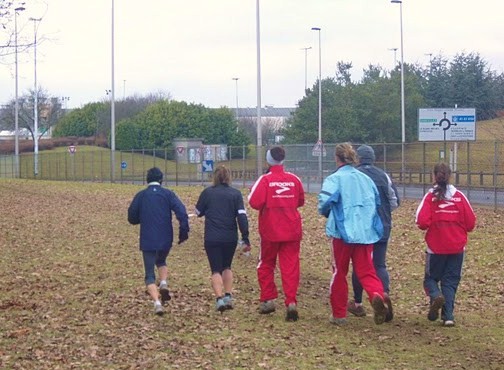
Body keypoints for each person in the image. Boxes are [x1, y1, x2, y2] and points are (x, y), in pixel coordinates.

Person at [318, 142, 391, 326]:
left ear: (336, 158)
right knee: (367, 271)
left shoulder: (334, 179)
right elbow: (376, 202)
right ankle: (376, 296)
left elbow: (323, 204)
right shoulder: (366, 179)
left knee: (339, 273)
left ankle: (339, 314)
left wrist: (330, 212)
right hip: (365, 233)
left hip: (342, 234)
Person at [248, 146, 305, 322]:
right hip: (292, 229)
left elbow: (254, 202)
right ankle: (291, 302)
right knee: (290, 267)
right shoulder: (294, 179)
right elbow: (300, 200)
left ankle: (268, 299)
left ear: (268, 160)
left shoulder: (265, 180)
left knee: (266, 264)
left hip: (271, 230)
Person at [415, 162, 476, 327]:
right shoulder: (459, 196)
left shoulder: (430, 197)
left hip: (436, 248)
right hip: (456, 247)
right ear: (449, 176)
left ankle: (435, 296)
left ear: (434, 176)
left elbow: (421, 221)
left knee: (430, 279)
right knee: (450, 281)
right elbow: (471, 223)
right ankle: (448, 316)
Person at [128, 167, 189, 316]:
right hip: (165, 237)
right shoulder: (168, 194)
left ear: (147, 180)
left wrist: (140, 219)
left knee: (149, 273)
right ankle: (163, 282)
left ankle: (157, 302)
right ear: (161, 180)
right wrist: (183, 232)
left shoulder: (141, 196)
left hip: (148, 238)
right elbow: (181, 212)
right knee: (161, 260)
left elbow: (131, 217)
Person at [347, 145, 399, 322]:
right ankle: (384, 294)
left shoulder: (354, 176)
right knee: (379, 265)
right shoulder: (383, 175)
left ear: (358, 159)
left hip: (362, 227)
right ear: (373, 158)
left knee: (360, 264)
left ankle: (359, 302)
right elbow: (394, 201)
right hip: (383, 225)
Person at [195, 165, 250, 312]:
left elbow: (198, 211)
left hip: (212, 236)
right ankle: (228, 295)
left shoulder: (207, 193)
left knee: (215, 269)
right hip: (230, 236)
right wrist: (245, 236)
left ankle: (219, 298)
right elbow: (242, 216)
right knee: (227, 266)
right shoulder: (235, 194)